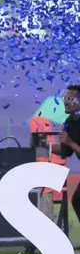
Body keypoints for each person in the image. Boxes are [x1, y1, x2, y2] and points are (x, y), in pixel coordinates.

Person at [51, 85, 80, 231]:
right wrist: (45, 146)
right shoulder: (69, 122)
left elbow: (70, 145)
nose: (65, 101)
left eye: (70, 98)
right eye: (64, 98)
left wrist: (71, 142)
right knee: (78, 200)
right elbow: (66, 151)